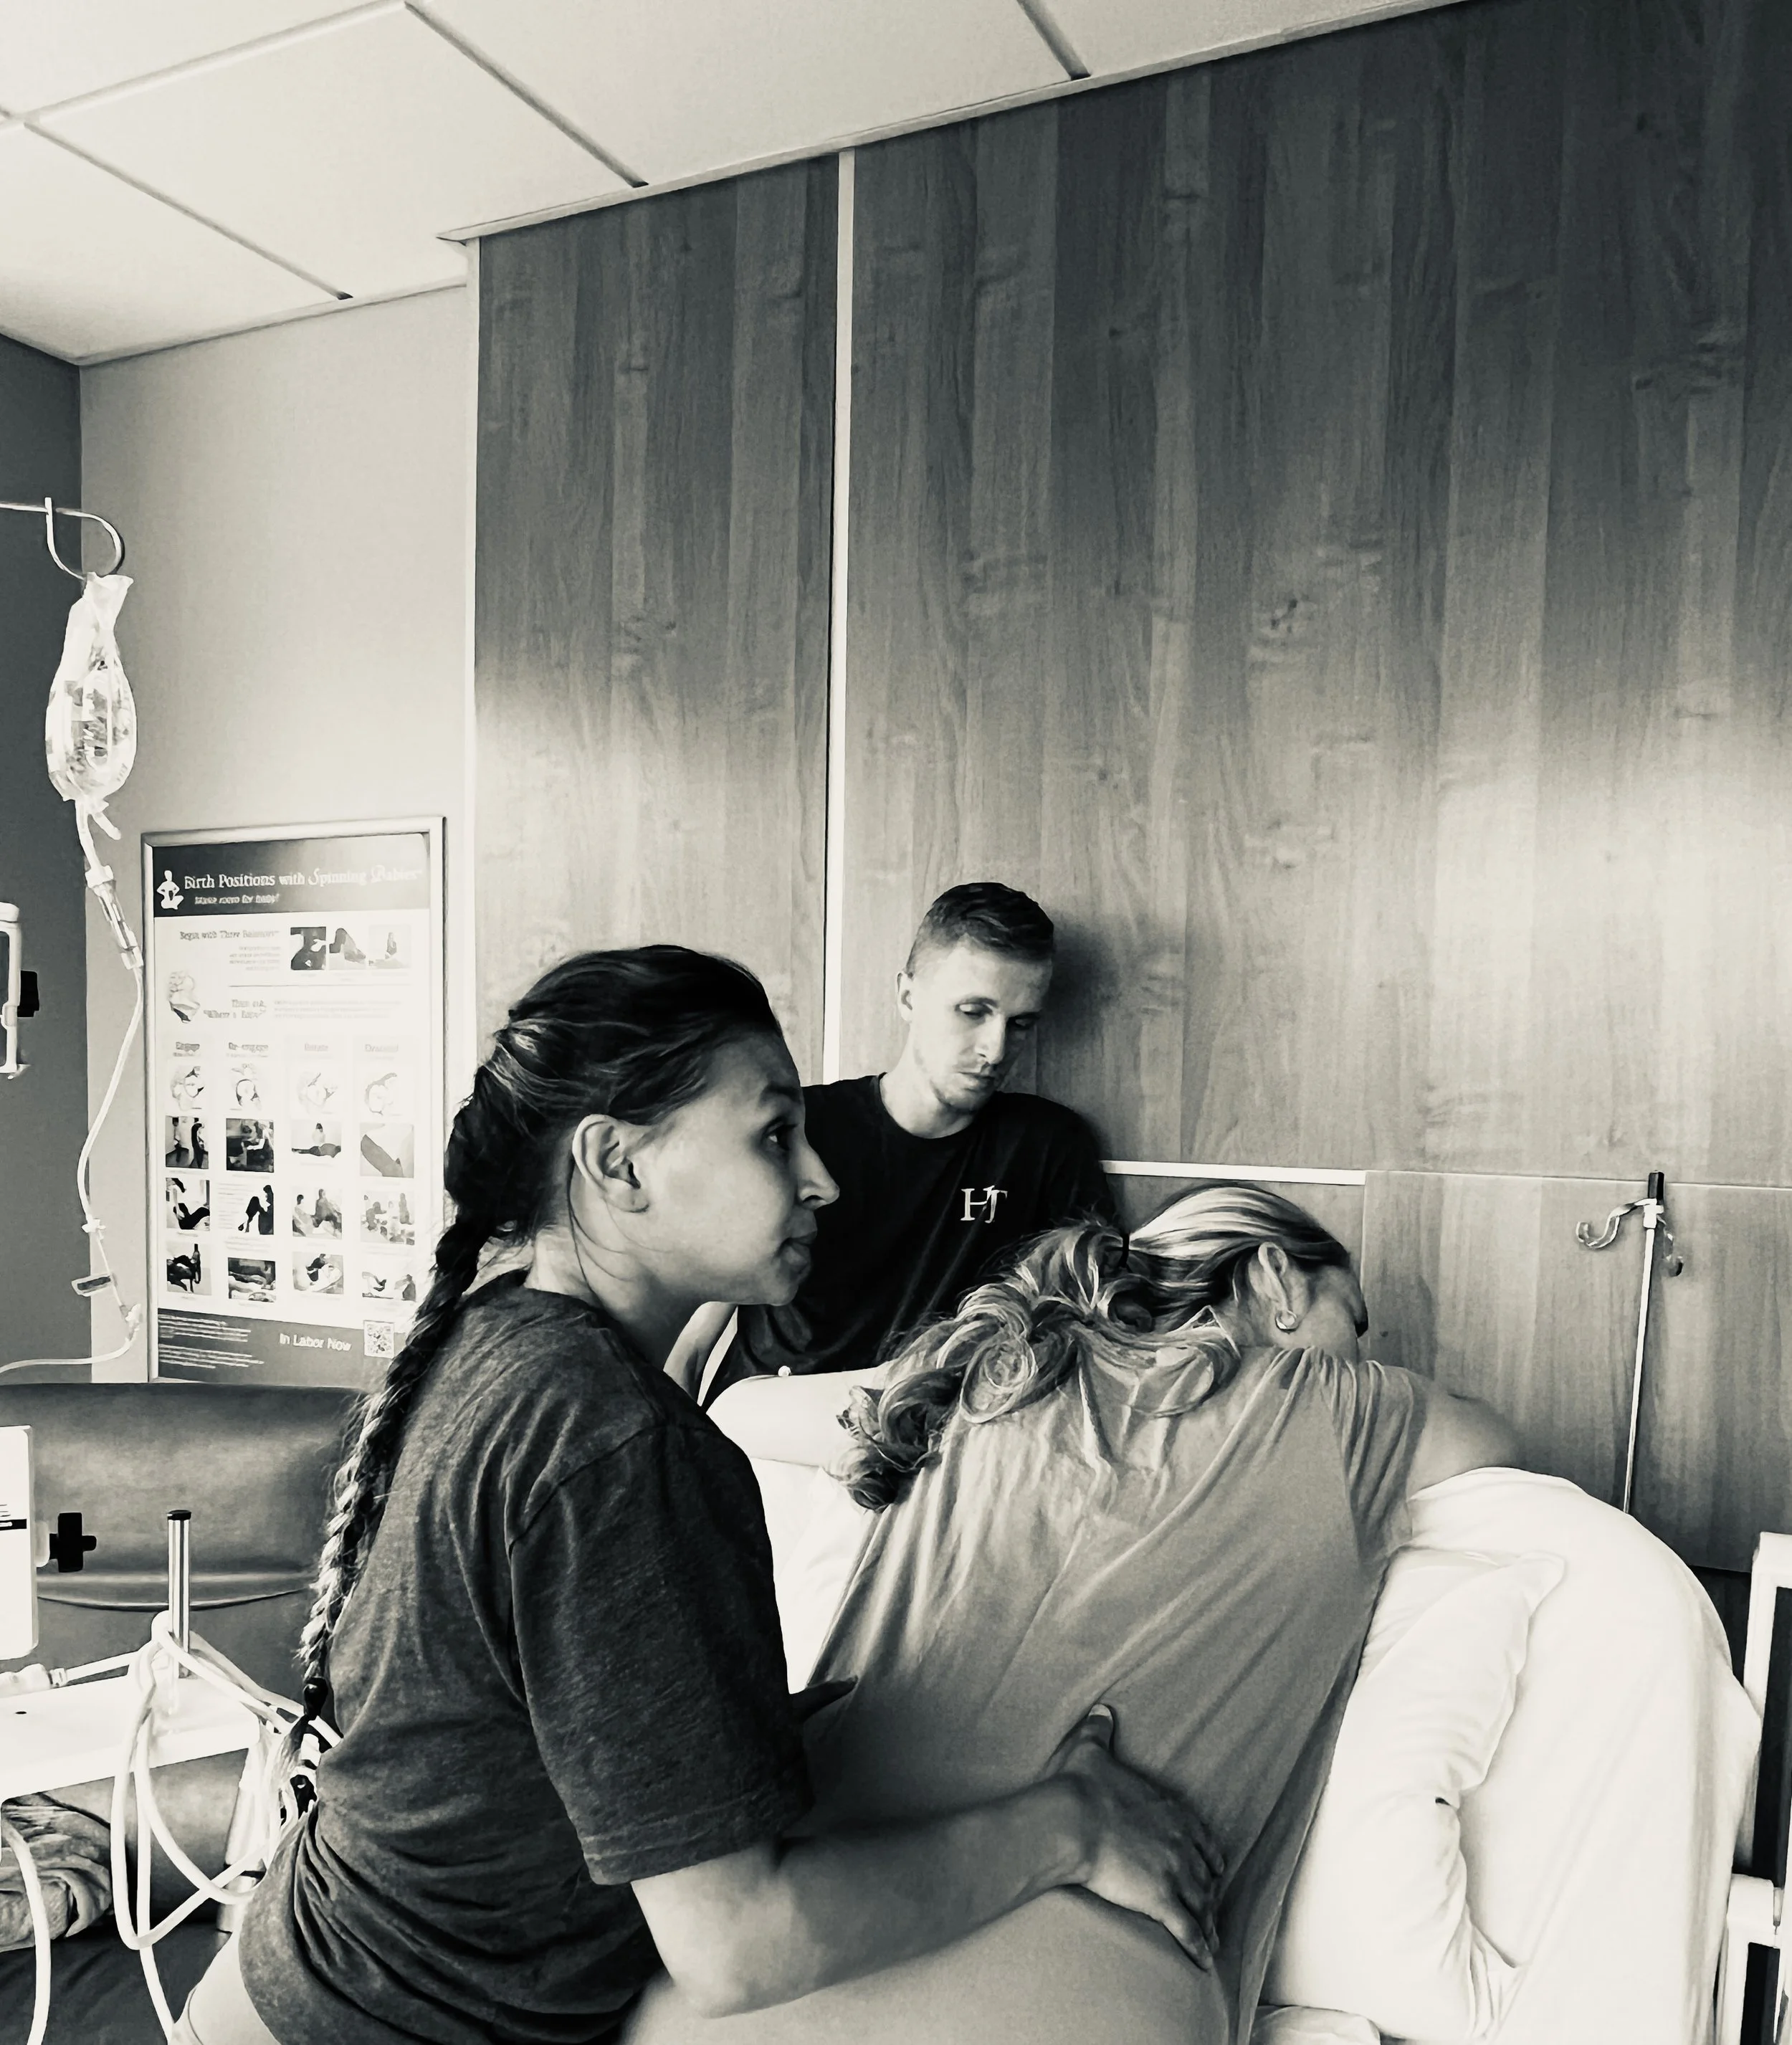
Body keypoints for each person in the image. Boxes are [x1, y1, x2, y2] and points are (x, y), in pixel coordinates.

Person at [173, 946, 1219, 2045]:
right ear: (617, 1164)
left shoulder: (505, 1338)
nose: (822, 1179)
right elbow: (737, 1946)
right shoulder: (618, 1441)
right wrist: (1072, 1826)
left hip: (279, 1986)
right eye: (774, 1134)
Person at [627, 1183, 1517, 2045]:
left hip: (819, 1920)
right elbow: (1494, 1441)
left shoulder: (991, 1369)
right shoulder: (1352, 1411)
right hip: (1094, 1975)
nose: (1358, 1351)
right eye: (1351, 1319)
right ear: (1277, 1279)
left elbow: (735, 1411)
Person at [693, 884, 1114, 1401]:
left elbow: (1092, 1332)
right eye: (972, 1011)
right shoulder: (800, 1124)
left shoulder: (1046, 1147)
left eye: (1021, 1023)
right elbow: (695, 1333)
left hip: (927, 1420)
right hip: (773, 1411)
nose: (996, 1048)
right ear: (908, 997)